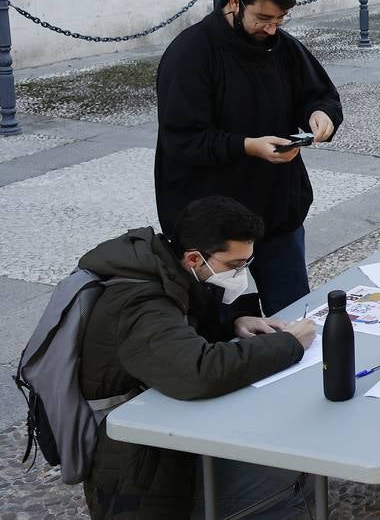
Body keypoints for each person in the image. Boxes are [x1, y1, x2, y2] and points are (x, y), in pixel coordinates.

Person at [80, 197, 316, 519]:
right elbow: (197, 371)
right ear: (194, 258)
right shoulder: (140, 302)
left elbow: (179, 334)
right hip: (142, 462)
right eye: (234, 265)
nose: (242, 274)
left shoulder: (166, 268)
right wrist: (290, 344)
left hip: (168, 425)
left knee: (292, 455)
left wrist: (233, 322)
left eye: (247, 262)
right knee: (283, 477)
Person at [154, 0, 344, 315]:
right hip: (212, 227)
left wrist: (321, 115)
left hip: (276, 214)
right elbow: (182, 139)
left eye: (279, 20)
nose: (271, 29)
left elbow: (320, 94)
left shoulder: (285, 48)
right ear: (235, 2)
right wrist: (247, 146)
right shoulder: (191, 53)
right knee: (215, 328)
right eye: (262, 19)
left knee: (292, 318)